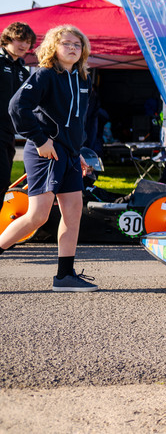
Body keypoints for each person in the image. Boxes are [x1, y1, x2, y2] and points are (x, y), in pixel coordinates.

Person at [0, 25, 96, 292]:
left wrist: (77, 154)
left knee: (74, 211)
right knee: (38, 216)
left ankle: (64, 276)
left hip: (69, 153)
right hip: (44, 151)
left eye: (78, 44)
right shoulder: (44, 75)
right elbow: (17, 107)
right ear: (54, 47)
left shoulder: (83, 79)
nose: (73, 48)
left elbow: (77, 123)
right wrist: (41, 140)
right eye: (66, 43)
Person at [0, 22, 36, 194]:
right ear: (7, 39)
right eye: (20, 40)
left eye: (28, 42)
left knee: (3, 182)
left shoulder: (24, 71)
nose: (24, 45)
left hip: (9, 134)